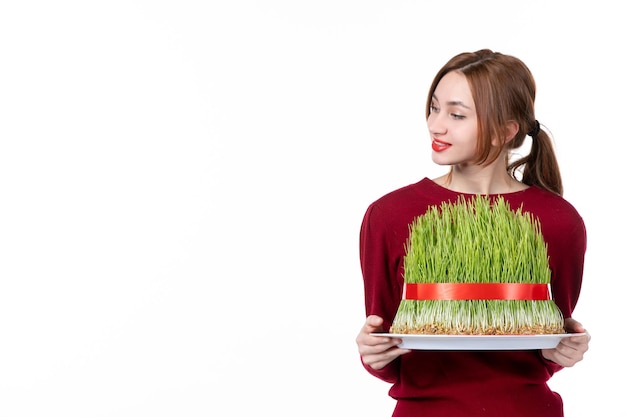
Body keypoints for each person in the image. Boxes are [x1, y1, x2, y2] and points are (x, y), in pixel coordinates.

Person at [355, 49, 591, 417]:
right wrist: (373, 354)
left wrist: (562, 351)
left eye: (456, 114)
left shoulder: (559, 221)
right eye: (434, 108)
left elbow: (546, 342)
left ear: (505, 131)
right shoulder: (389, 215)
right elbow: (388, 346)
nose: (436, 125)